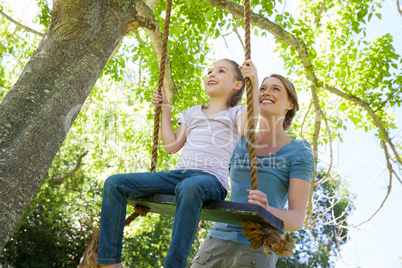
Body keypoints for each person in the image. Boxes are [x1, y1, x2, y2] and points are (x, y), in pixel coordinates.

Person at [97, 59, 259, 268]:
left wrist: (253, 82)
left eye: (220, 71)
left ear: (237, 85)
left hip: (211, 181)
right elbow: (172, 146)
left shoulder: (236, 113)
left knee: (189, 186)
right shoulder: (192, 112)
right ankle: (110, 262)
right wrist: (165, 108)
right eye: (209, 71)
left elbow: (248, 129)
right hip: (179, 175)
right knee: (114, 183)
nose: (211, 74)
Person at [190, 71, 315, 268]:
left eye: (276, 89)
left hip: (257, 246)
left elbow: (297, 219)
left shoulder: (299, 151)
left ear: (290, 104)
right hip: (216, 240)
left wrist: (266, 211)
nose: (266, 93)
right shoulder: (237, 140)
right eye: (262, 89)